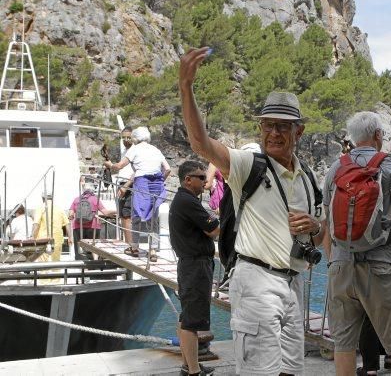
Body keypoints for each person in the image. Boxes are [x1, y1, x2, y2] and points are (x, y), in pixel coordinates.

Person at [179, 46, 326, 375]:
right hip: (257, 281)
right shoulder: (248, 165)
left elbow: (322, 239)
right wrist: (186, 88)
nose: (274, 132)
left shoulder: (309, 179)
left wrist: (315, 226)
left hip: (294, 283)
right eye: (268, 125)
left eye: (283, 126)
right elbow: (201, 144)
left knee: (291, 371)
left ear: (298, 131)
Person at [323, 111, 391, 376]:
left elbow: (326, 219)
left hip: (341, 265)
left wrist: (332, 259)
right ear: (379, 135)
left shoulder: (336, 168)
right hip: (381, 264)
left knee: (344, 343)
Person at [169, 160, 219, 376]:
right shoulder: (188, 201)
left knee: (186, 317)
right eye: (201, 177)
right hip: (195, 265)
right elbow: (213, 229)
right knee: (191, 321)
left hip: (190, 264)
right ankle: (194, 372)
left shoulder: (183, 200)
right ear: (188, 179)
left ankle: (189, 365)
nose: (205, 180)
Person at [104, 126, 171, 262]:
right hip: (157, 183)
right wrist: (160, 182)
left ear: (135, 138)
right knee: (153, 217)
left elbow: (120, 166)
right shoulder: (155, 149)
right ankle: (152, 251)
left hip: (142, 182)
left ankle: (134, 247)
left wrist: (110, 165)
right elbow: (168, 169)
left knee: (136, 214)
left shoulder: (135, 149)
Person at [103, 126, 135, 245]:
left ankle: (131, 245)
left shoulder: (135, 150)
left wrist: (125, 186)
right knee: (122, 214)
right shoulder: (126, 151)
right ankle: (129, 244)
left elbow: (136, 171)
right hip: (123, 183)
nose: (126, 140)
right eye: (124, 138)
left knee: (127, 215)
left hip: (128, 185)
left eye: (129, 137)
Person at [68, 189, 115, 260]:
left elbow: (70, 214)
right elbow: (105, 212)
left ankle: (82, 267)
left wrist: (72, 216)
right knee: (94, 246)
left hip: (78, 227)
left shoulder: (77, 199)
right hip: (93, 226)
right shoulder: (95, 199)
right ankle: (95, 262)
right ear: (92, 193)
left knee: (79, 247)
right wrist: (117, 212)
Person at [32, 193, 72, 262]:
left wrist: (33, 238)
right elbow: (67, 224)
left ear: (42, 198)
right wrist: (70, 237)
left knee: (43, 264)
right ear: (52, 198)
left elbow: (36, 225)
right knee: (56, 263)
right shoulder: (59, 209)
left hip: (43, 240)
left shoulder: (40, 208)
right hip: (57, 240)